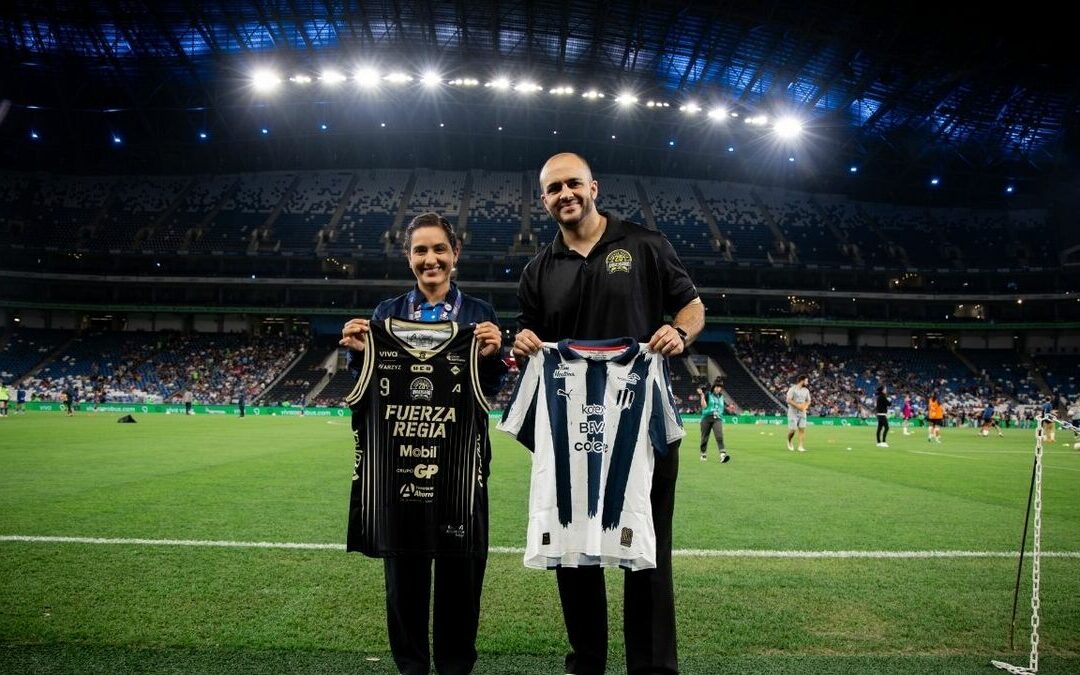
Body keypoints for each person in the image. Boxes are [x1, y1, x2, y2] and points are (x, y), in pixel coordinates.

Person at [511, 152, 703, 675]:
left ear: (594, 186)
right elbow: (525, 341)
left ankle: (653, 666)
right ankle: (588, 661)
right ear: (544, 199)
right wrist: (521, 343)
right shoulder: (538, 269)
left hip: (642, 425)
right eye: (553, 189)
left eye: (573, 184)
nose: (564, 194)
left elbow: (693, 305)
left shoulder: (645, 244)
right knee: (573, 546)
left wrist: (680, 332)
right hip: (569, 425)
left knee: (648, 547)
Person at [339, 212, 505, 675]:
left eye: (438, 250)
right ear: (408, 258)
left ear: (455, 255)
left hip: (461, 466)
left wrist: (496, 352)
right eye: (420, 251)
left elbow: (486, 389)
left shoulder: (479, 314)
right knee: (405, 577)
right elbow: (369, 385)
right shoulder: (385, 314)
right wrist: (356, 352)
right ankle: (411, 666)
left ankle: (455, 666)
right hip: (398, 465)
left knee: (461, 573)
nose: (429, 259)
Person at [699, 379, 729, 462]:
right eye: (717, 387)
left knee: (719, 436)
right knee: (704, 438)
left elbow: (721, 408)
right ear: (714, 387)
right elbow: (704, 406)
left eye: (720, 387)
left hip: (717, 418)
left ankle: (723, 455)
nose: (718, 389)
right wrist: (702, 395)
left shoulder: (721, 397)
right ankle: (703, 453)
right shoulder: (708, 394)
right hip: (706, 418)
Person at [786, 374, 811, 452]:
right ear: (802, 381)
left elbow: (808, 401)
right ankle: (789, 441)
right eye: (806, 380)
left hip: (802, 412)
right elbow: (788, 400)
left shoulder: (806, 390)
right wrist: (798, 406)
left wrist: (805, 407)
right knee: (793, 429)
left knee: (802, 429)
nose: (808, 382)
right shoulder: (792, 389)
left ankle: (800, 446)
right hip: (793, 412)